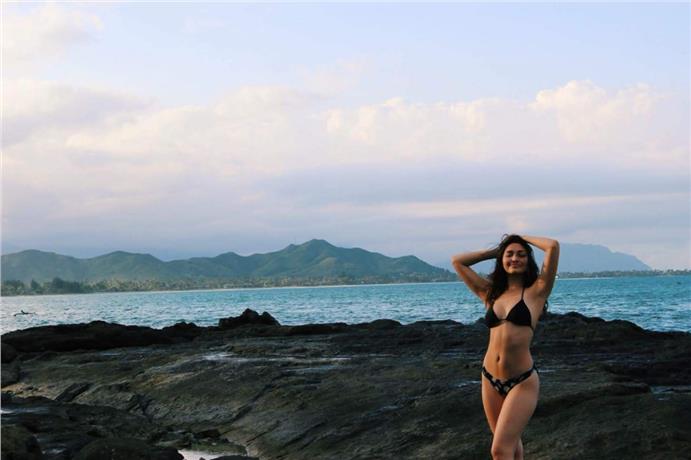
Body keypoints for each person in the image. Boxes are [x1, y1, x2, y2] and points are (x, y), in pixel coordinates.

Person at [451, 234, 559, 460]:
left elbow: (552, 246)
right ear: (501, 259)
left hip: (522, 380)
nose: (515, 259)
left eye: (521, 255)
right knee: (512, 448)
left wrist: (519, 236)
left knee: (499, 450)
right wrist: (497, 250)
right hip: (489, 378)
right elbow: (458, 261)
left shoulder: (538, 291)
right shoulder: (490, 293)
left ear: (528, 260)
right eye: (509, 255)